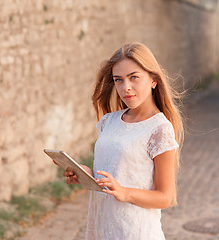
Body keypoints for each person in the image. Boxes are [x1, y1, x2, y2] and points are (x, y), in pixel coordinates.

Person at [63, 42, 184, 239]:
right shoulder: (108, 121)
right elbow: (118, 171)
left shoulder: (159, 129)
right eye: (118, 80)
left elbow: (164, 197)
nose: (126, 87)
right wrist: (87, 174)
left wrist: (125, 192)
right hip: (103, 229)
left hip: (136, 232)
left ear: (153, 80)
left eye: (134, 77)